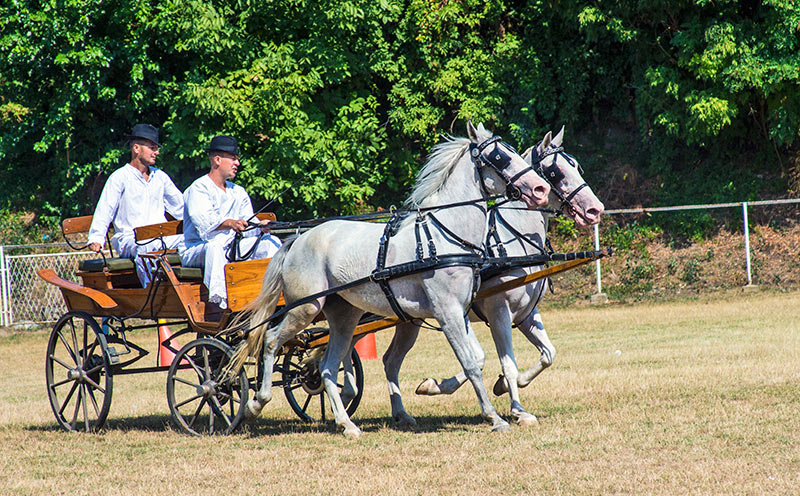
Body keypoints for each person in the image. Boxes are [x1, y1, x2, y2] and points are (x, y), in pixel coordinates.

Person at [179, 135, 281, 310]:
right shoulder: (198, 188)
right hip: (198, 248)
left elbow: (248, 222)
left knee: (270, 243)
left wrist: (259, 227)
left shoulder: (238, 191)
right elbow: (203, 223)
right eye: (233, 158)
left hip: (232, 246)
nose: (237, 163)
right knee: (215, 247)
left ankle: (271, 293)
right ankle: (222, 303)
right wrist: (231, 223)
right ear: (217, 160)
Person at [88, 123, 184, 287]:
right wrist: (96, 237)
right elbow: (105, 209)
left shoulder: (160, 177)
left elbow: (181, 207)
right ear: (136, 148)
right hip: (130, 239)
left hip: (159, 236)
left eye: (156, 148)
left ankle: (187, 290)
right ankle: (151, 290)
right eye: (152, 148)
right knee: (144, 248)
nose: (157, 152)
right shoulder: (120, 177)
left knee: (190, 242)